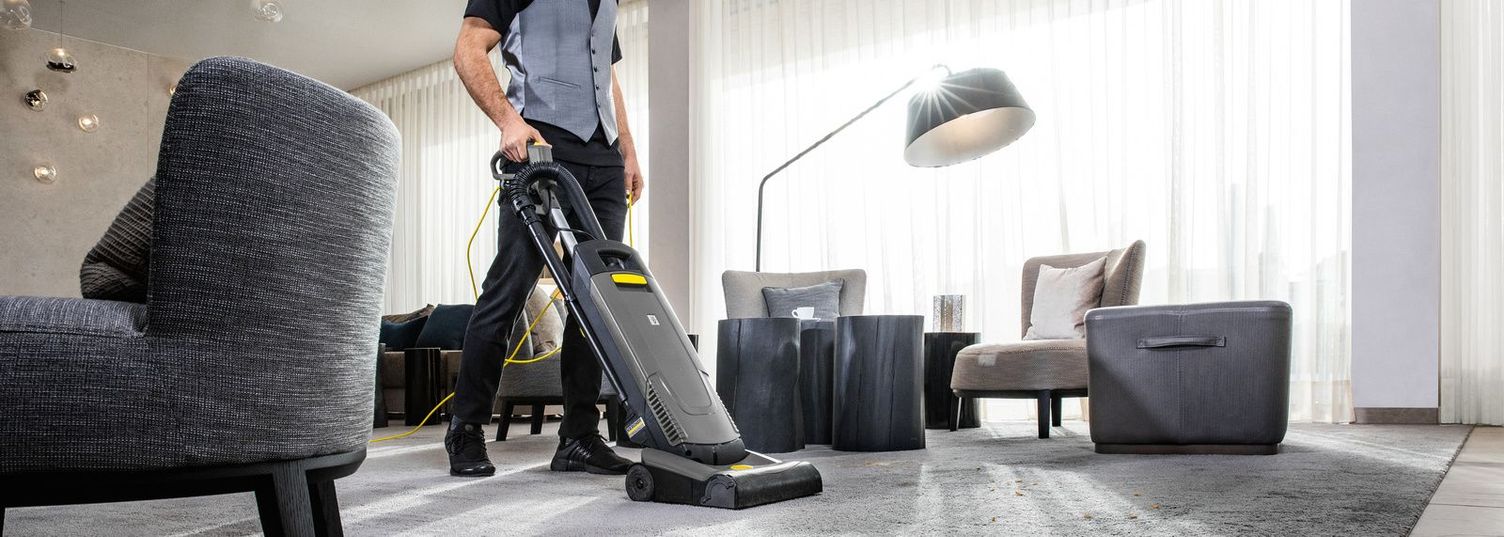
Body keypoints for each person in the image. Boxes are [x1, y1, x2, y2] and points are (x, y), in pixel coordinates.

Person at [447, 0, 645, 477]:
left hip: (603, 157)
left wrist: (629, 151)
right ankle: (466, 428)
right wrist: (508, 121)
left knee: (595, 301)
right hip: (541, 144)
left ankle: (577, 437)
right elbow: (469, 48)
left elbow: (606, 77)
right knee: (509, 289)